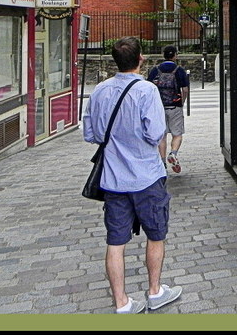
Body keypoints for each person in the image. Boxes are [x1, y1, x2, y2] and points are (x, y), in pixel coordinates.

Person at [83, 36, 182, 314]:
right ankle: (154, 291)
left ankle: (122, 302)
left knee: (115, 241)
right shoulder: (146, 90)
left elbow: (91, 134)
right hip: (146, 176)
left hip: (113, 179)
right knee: (155, 234)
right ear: (140, 59)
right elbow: (154, 134)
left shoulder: (99, 91)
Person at [147, 45, 189, 174]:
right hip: (175, 106)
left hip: (159, 108)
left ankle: (163, 162)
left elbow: (149, 88)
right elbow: (185, 89)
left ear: (163, 54)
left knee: (162, 136)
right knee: (177, 134)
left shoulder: (155, 70)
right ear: (175, 55)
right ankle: (173, 153)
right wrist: (182, 102)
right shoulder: (179, 70)